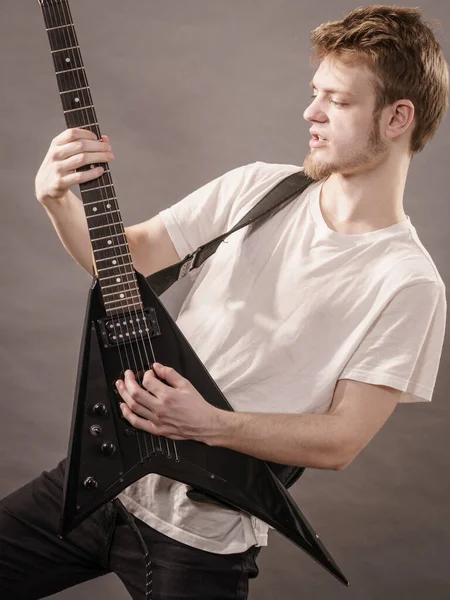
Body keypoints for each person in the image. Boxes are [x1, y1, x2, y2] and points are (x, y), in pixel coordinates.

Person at [0, 4, 448, 600]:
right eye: (314, 92)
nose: (309, 113)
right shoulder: (259, 186)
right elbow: (125, 259)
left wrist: (208, 424)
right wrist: (56, 198)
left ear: (398, 117)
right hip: (102, 480)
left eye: (337, 101)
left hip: (200, 540)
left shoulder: (408, 282)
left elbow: (341, 439)